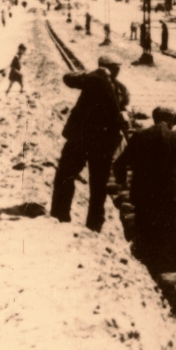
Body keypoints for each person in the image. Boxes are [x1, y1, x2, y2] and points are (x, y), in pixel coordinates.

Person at [114, 107, 176, 275]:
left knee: (145, 235)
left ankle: (145, 273)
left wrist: (122, 183)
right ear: (171, 120)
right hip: (169, 199)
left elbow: (119, 164)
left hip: (143, 197)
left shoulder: (139, 136)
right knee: (170, 237)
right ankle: (169, 274)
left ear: (154, 118)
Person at [50, 54, 124, 232]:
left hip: (81, 139)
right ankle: (94, 225)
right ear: (114, 69)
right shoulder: (117, 86)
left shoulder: (95, 79)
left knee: (65, 175)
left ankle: (60, 214)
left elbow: (68, 78)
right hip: (103, 143)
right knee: (98, 186)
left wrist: (95, 71)